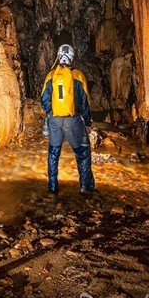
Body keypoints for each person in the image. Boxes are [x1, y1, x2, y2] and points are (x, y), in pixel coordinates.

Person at [40, 44, 95, 195]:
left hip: (55, 120)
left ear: (58, 57)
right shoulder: (78, 75)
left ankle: (52, 186)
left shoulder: (51, 75)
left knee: (53, 153)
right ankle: (85, 187)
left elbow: (44, 99)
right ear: (71, 58)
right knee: (82, 152)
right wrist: (88, 122)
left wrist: (51, 112)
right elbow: (85, 102)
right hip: (73, 120)